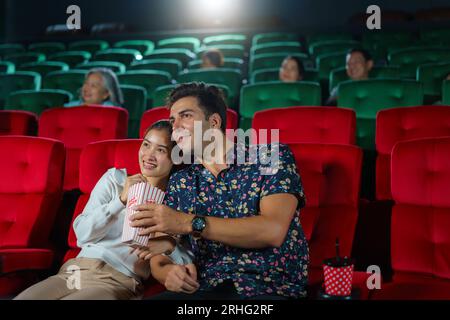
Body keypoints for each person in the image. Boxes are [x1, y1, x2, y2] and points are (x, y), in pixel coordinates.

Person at [129, 82, 309, 300]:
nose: (175, 127)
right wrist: (167, 272)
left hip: (269, 287)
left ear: (214, 122)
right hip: (207, 288)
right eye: (172, 120)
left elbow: (272, 230)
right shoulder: (182, 180)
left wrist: (188, 222)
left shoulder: (270, 156)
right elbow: (160, 252)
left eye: (185, 116)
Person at [15, 120, 192, 300]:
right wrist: (120, 200)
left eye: (160, 150)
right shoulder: (114, 179)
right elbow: (82, 234)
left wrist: (171, 245)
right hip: (74, 272)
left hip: (118, 280)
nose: (149, 155)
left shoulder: (174, 204)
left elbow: (187, 259)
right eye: (146, 145)